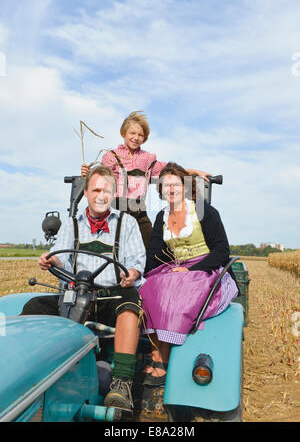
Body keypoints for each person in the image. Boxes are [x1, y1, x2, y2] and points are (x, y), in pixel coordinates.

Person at [21, 165, 146, 412]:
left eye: (107, 190)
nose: (101, 195)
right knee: (33, 306)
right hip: (76, 296)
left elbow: (135, 263)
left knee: (131, 302)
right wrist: (53, 261)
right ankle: (28, 372)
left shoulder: (127, 223)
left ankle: (121, 383)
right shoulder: (71, 224)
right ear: (86, 193)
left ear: (113, 194)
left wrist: (131, 274)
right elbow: (64, 260)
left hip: (112, 295)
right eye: (96, 189)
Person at [137, 162, 239, 386]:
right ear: (161, 191)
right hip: (175, 268)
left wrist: (191, 269)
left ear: (184, 187)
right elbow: (154, 253)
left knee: (179, 289)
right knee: (149, 288)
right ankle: (156, 352)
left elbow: (222, 250)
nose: (171, 189)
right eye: (165, 185)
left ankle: (163, 357)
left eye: (175, 184)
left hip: (205, 267)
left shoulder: (204, 211)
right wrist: (139, 275)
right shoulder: (161, 217)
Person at [81, 111, 211, 249]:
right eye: (132, 133)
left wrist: (195, 171)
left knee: (152, 246)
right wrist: (87, 174)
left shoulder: (147, 159)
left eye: (140, 135)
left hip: (139, 210)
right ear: (123, 133)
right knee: (115, 246)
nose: (136, 138)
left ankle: (152, 268)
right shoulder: (111, 156)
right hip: (116, 209)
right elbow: (100, 178)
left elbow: (170, 170)